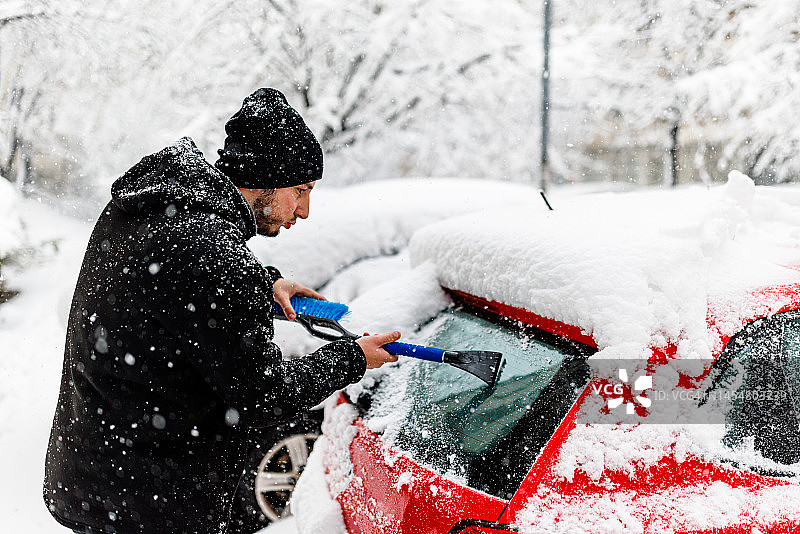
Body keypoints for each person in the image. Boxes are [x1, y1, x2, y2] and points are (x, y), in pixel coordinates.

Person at [43, 88, 400, 534]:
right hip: (154, 505)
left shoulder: (152, 207)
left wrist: (262, 284)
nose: (305, 211)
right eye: (301, 190)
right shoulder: (212, 257)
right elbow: (264, 394)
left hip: (95, 474)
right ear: (266, 178)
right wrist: (352, 358)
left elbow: (166, 294)